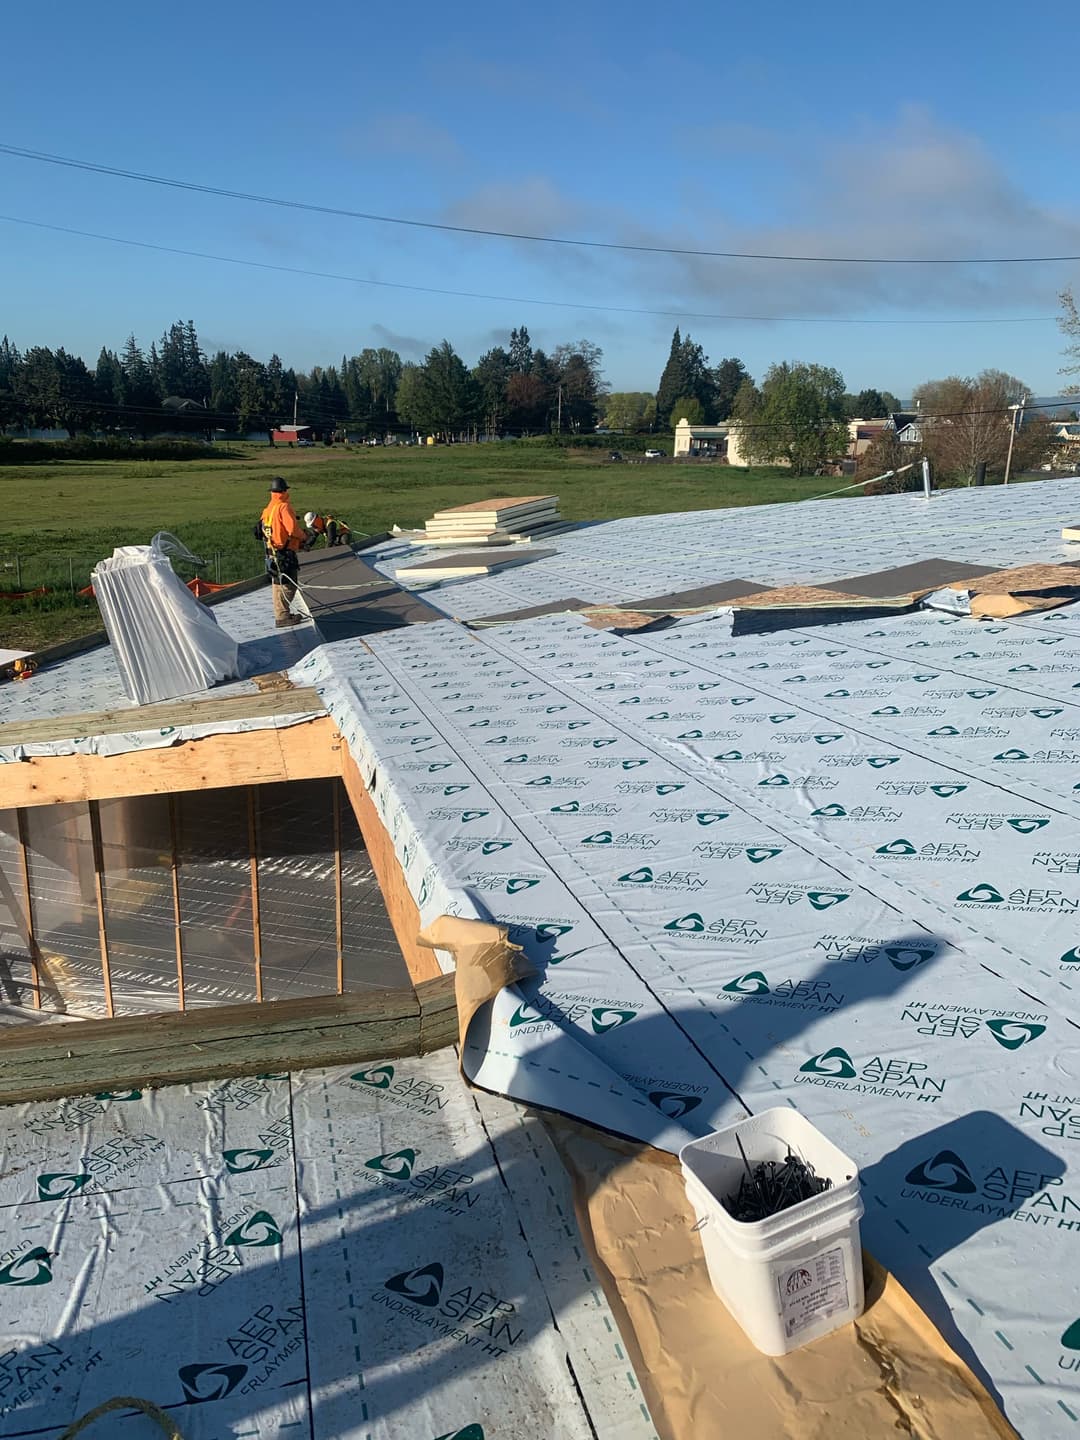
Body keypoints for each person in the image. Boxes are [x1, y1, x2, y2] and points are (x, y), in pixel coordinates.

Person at [259, 477, 308, 626]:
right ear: (284, 491)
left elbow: (261, 528)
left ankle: (282, 614)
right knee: (288, 584)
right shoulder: (283, 507)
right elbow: (292, 529)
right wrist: (303, 536)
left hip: (272, 551)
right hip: (284, 551)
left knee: (277, 583)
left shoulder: (269, 508)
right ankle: (282, 617)